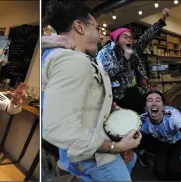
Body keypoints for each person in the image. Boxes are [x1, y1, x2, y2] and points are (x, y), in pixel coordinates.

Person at [41, 1, 141, 181]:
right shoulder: (73, 61)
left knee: (132, 159)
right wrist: (114, 147)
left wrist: (105, 107)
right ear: (80, 27)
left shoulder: (65, 56)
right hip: (90, 155)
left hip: (80, 149)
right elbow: (58, 128)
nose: (99, 33)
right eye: (96, 27)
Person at [96, 8, 169, 114]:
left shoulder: (133, 50)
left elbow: (147, 37)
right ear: (117, 40)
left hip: (136, 90)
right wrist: (124, 58)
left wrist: (161, 21)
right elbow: (108, 73)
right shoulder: (107, 52)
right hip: (119, 96)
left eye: (130, 37)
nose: (129, 39)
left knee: (140, 118)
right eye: (125, 37)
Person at [137, 90, 181, 180]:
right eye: (150, 100)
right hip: (162, 143)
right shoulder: (142, 119)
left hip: (179, 142)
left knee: (173, 170)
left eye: (158, 100)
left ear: (163, 107)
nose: (154, 103)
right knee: (158, 170)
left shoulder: (173, 115)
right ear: (146, 108)